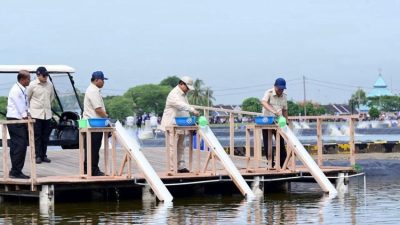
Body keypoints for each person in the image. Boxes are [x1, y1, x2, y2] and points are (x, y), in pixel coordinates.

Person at [160, 76, 200, 173]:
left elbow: (184, 110)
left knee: (181, 146)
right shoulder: (173, 94)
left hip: (182, 123)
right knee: (172, 147)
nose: (188, 90)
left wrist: (192, 122)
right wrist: (192, 110)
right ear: (181, 84)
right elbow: (181, 105)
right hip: (172, 124)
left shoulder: (183, 94)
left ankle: (181, 166)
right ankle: (172, 167)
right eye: (187, 87)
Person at [82, 71, 109, 176]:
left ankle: (87, 168)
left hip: (89, 123)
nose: (103, 83)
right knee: (93, 149)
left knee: (89, 148)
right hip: (94, 124)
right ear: (97, 80)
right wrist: (107, 118)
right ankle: (93, 170)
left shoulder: (91, 89)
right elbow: (98, 109)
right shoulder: (94, 91)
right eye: (102, 80)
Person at [6, 70, 31, 179]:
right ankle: (16, 171)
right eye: (28, 78)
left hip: (18, 119)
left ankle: (15, 170)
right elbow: (21, 108)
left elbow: (25, 106)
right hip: (16, 119)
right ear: (22, 79)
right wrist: (27, 122)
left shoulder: (22, 89)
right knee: (20, 145)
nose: (29, 81)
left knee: (16, 145)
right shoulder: (16, 90)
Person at [27, 66, 55, 164]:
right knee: (37, 136)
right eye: (44, 75)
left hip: (47, 114)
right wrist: (29, 112)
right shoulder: (32, 85)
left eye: (47, 75)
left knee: (45, 136)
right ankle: (37, 155)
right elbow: (27, 98)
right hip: (36, 114)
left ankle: (44, 155)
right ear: (38, 75)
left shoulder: (50, 85)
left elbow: (52, 97)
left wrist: (47, 106)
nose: (46, 77)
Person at [260, 77, 288, 168]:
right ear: (275, 86)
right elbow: (263, 102)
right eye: (279, 88)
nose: (281, 90)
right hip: (267, 120)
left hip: (278, 122)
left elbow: (285, 110)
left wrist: (286, 121)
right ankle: (270, 164)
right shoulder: (269, 93)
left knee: (281, 143)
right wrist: (272, 110)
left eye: (282, 89)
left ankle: (282, 164)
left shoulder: (284, 96)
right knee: (268, 143)